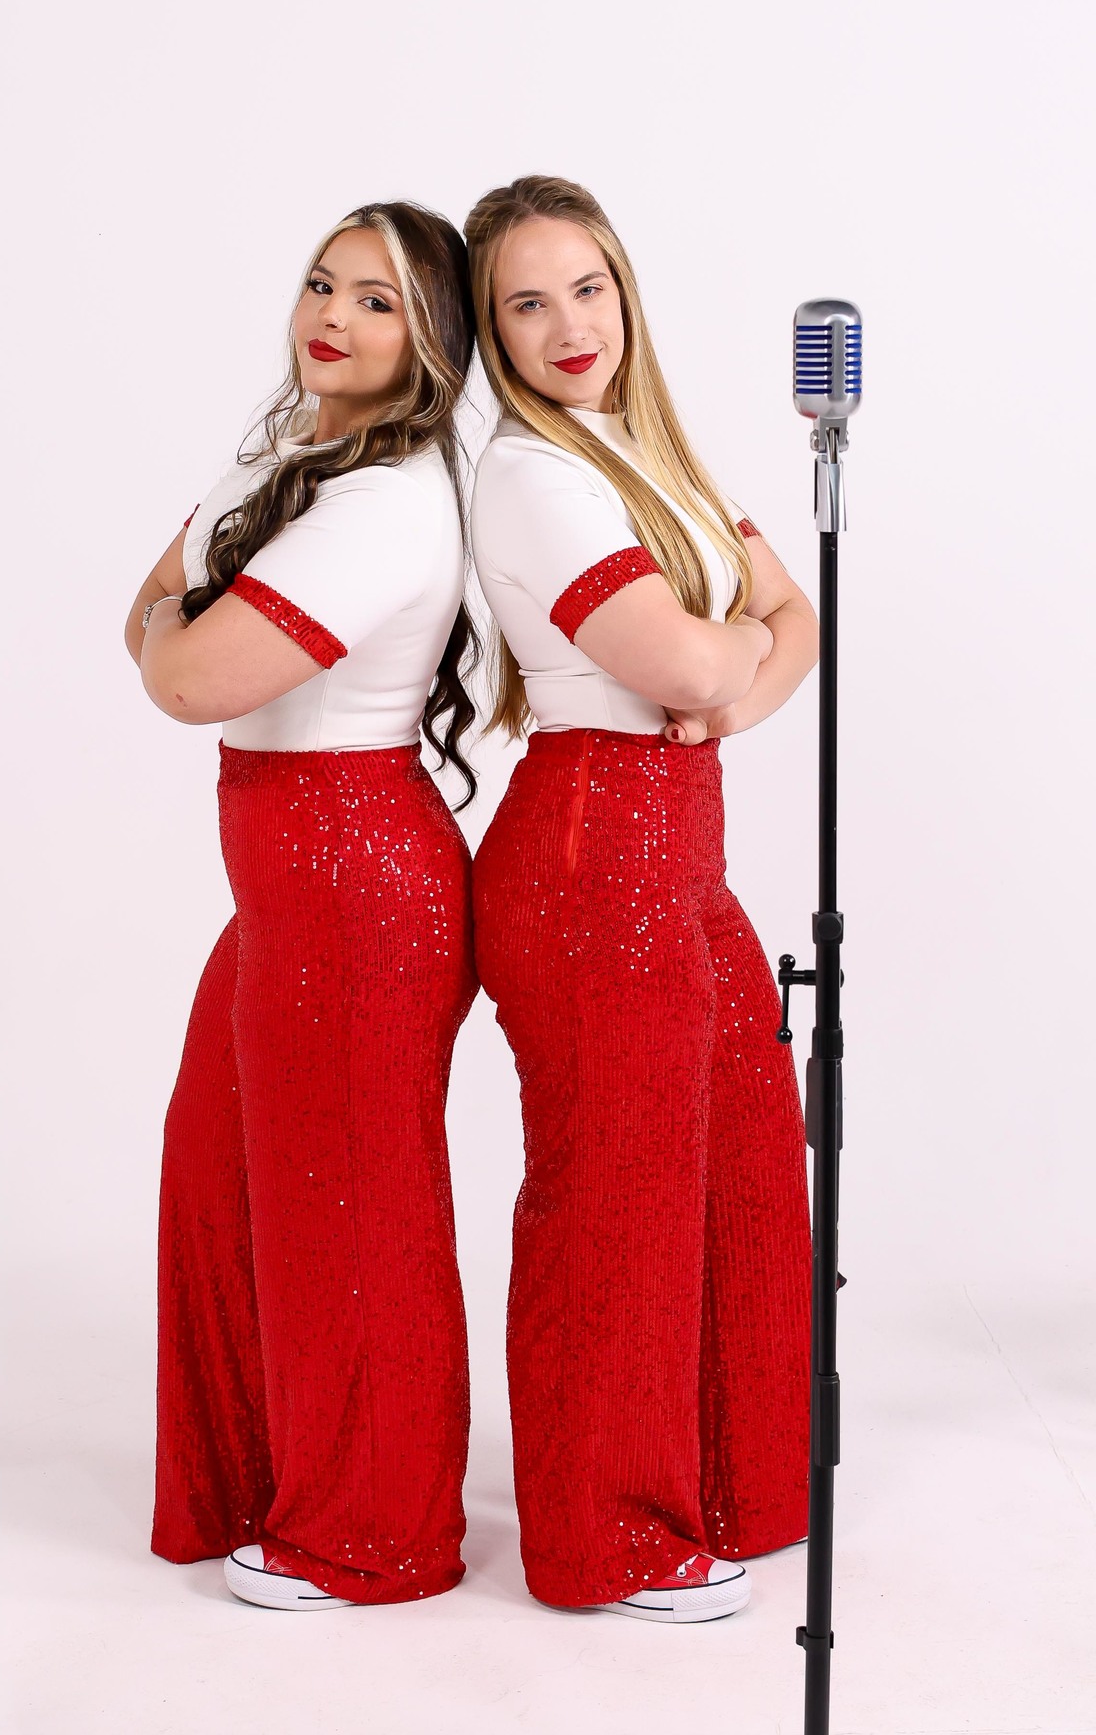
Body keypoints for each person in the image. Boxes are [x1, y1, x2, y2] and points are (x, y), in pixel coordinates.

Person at [463, 175, 818, 1624]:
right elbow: (688, 659)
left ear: (624, 289)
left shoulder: (645, 447)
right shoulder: (531, 475)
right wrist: (720, 667)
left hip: (680, 843)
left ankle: (723, 1483)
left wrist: (727, 685)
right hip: (588, 857)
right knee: (616, 1195)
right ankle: (603, 1537)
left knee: (739, 1158)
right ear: (490, 329)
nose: (569, 325)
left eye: (588, 287)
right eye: (527, 303)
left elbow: (794, 619)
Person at [124, 201, 481, 1611]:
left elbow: (185, 672)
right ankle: (260, 1480)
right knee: (220, 1178)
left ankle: (377, 1532)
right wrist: (177, 626)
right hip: (285, 886)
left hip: (352, 883)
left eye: (380, 301)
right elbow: (150, 612)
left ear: (431, 341)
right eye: (323, 283)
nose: (333, 315)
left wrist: (179, 628)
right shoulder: (289, 458)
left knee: (351, 1204)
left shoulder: (386, 501)